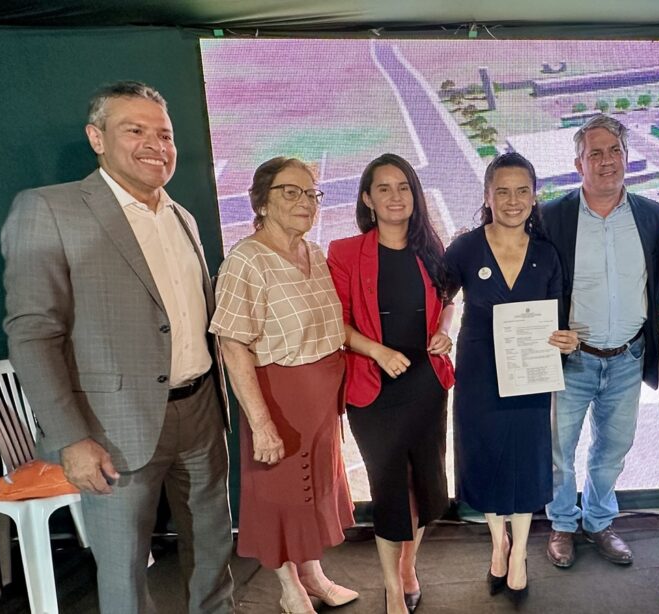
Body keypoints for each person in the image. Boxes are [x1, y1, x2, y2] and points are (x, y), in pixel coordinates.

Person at [1, 81, 234, 613]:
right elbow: (33, 333)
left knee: (213, 549)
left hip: (200, 412)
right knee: (125, 569)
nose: (156, 145)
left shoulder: (181, 217)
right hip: (111, 428)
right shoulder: (50, 209)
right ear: (96, 138)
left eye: (165, 135)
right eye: (135, 130)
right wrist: (72, 437)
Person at [210, 157, 357, 614]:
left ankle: (313, 575)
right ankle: (289, 587)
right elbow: (233, 345)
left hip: (320, 403)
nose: (305, 202)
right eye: (290, 192)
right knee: (280, 499)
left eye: (311, 193)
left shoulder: (313, 252)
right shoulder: (245, 260)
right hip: (279, 400)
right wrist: (262, 424)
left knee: (312, 495)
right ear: (261, 201)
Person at [444, 152, 579, 606]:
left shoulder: (546, 254)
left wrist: (566, 340)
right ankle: (497, 543)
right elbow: (439, 297)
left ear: (535, 196)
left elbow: (558, 319)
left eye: (522, 191)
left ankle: (518, 552)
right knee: (486, 458)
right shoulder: (465, 248)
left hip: (529, 376)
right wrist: (440, 331)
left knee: (525, 461)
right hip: (479, 374)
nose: (513, 200)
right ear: (487, 196)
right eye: (502, 191)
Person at [327, 153, 455, 614]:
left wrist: (445, 330)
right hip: (373, 389)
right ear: (367, 198)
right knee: (389, 491)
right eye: (383, 188)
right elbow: (336, 323)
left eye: (403, 187)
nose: (395, 196)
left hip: (425, 385)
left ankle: (408, 567)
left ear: (415, 195)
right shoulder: (345, 252)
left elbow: (447, 300)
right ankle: (392, 590)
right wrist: (377, 351)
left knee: (425, 487)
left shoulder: (431, 248)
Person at [541, 115, 659, 568]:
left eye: (615, 150)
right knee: (558, 452)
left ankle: (598, 521)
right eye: (594, 153)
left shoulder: (653, 216)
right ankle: (562, 523)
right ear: (579, 164)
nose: (606, 160)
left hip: (628, 358)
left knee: (612, 450)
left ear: (627, 158)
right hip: (572, 360)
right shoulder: (551, 217)